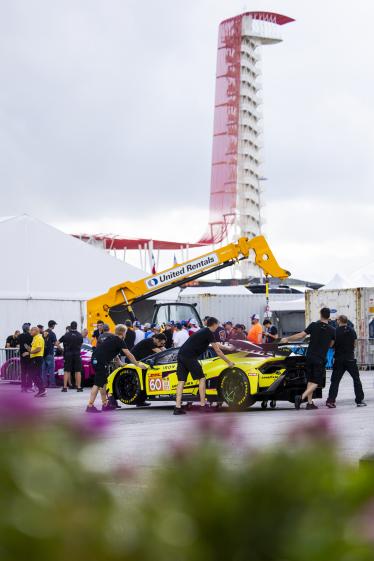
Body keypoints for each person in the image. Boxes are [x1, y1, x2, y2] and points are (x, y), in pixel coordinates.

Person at [174, 317, 235, 415]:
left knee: (181, 381)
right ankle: (202, 405)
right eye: (218, 324)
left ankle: (177, 407)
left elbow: (216, 344)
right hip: (190, 357)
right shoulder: (208, 333)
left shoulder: (203, 331)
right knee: (202, 378)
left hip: (181, 355)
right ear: (214, 324)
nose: (218, 326)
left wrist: (228, 348)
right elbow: (218, 351)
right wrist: (229, 362)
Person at [281, 307, 335, 410]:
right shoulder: (332, 330)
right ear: (329, 317)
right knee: (316, 382)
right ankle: (301, 397)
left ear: (320, 314)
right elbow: (331, 345)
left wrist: (287, 338)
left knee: (310, 380)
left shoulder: (313, 325)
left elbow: (301, 335)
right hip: (320, 358)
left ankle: (310, 403)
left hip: (309, 356)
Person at [86, 324, 147, 413]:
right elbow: (128, 354)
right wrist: (137, 365)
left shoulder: (112, 338)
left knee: (103, 383)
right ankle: (90, 406)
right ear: (123, 333)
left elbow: (113, 353)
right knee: (97, 383)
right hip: (100, 361)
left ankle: (105, 404)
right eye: (125, 332)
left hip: (96, 359)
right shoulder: (119, 341)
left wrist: (120, 363)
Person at [326, 315, 366, 408]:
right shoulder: (352, 330)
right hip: (350, 359)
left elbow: (331, 345)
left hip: (339, 359)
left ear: (339, 321)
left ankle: (331, 401)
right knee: (356, 379)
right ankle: (359, 400)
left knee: (335, 381)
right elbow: (354, 344)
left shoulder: (335, 331)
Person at [58, 321, 84, 392]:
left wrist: (62, 349)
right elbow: (81, 345)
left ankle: (65, 387)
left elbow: (57, 343)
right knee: (78, 371)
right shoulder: (79, 335)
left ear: (70, 326)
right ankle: (78, 387)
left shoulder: (66, 335)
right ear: (76, 326)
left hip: (68, 354)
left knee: (67, 370)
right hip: (77, 354)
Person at [27, 326, 46, 397]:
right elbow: (34, 348)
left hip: (37, 358)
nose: (30, 331)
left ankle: (42, 390)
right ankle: (42, 390)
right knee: (34, 375)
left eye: (32, 330)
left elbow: (38, 349)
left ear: (37, 331)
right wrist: (29, 349)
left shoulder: (39, 338)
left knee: (35, 375)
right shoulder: (35, 338)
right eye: (30, 330)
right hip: (34, 358)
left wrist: (31, 352)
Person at [42, 320, 57, 388]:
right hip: (49, 353)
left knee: (44, 370)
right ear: (53, 325)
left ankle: (44, 384)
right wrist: (60, 348)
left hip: (43, 353)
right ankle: (52, 384)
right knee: (51, 369)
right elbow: (55, 343)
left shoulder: (43, 333)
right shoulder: (52, 333)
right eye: (54, 325)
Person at [18, 323, 33, 392]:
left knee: (23, 372)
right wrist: (29, 351)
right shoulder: (30, 336)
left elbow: (22, 344)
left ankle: (23, 387)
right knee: (30, 372)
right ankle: (29, 387)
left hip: (22, 356)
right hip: (29, 356)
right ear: (28, 329)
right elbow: (29, 345)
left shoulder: (20, 336)